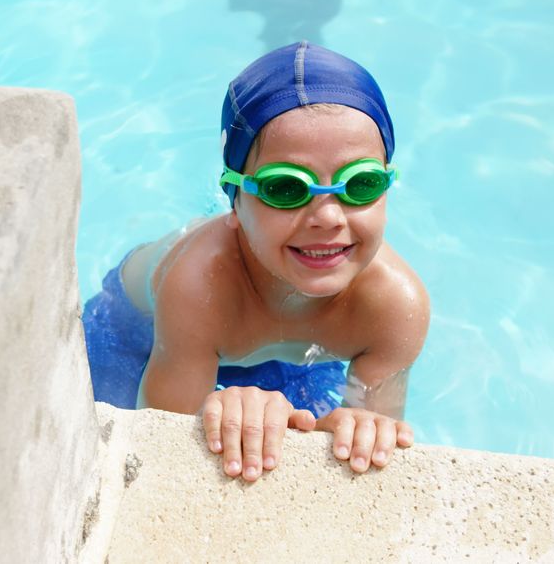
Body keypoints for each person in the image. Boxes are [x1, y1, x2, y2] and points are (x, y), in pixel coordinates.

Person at [82, 41, 430, 481]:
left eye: (360, 184)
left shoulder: (395, 306)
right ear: (236, 203)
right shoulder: (198, 286)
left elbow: (371, 441)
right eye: (286, 189)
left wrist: (341, 428)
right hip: (141, 333)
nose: (327, 217)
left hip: (271, 351)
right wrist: (225, 403)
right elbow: (159, 458)